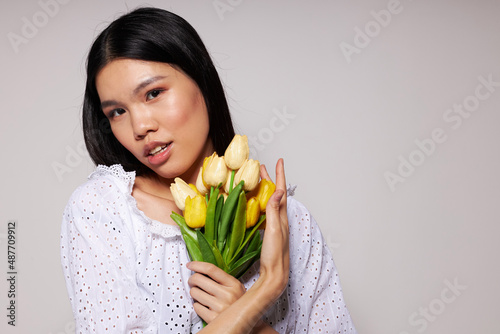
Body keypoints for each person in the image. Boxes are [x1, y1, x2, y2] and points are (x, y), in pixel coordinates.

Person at [60, 7, 357, 333]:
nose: (140, 126)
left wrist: (251, 323)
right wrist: (265, 289)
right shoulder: (104, 209)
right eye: (117, 112)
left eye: (154, 93)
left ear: (201, 79)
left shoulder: (288, 222)